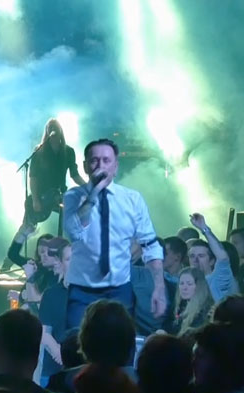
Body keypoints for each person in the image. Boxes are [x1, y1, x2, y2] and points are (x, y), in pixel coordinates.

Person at [62, 138, 166, 330]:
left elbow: (150, 244)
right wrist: (94, 193)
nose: (100, 165)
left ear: (115, 167)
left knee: (121, 345)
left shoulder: (132, 199)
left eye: (106, 160)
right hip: (82, 290)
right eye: (94, 160)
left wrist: (159, 288)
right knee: (76, 345)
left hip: (119, 290)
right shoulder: (73, 196)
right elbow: (74, 232)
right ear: (85, 166)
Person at [23, 118, 88, 226]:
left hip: (59, 193)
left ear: (60, 130)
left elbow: (74, 175)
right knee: (27, 227)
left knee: (77, 212)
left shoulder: (68, 152)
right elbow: (33, 177)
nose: (53, 129)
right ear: (47, 132)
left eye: (56, 127)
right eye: (50, 127)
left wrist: (87, 187)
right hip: (41, 194)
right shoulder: (39, 151)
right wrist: (35, 200)